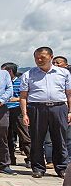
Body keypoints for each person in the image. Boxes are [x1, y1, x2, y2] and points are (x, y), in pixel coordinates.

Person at [20, 47, 71, 178]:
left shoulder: (63, 73)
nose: (39, 60)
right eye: (36, 58)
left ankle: (61, 167)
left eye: (42, 57)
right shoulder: (29, 74)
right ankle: (38, 168)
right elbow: (23, 96)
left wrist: (70, 111)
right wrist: (25, 114)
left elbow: (69, 94)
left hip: (58, 107)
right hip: (37, 108)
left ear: (51, 57)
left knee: (60, 139)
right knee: (37, 139)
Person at [1, 62, 31, 168]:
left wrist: (17, 99)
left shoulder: (20, 82)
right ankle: (9, 158)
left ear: (9, 71)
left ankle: (30, 158)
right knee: (6, 136)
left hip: (17, 110)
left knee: (24, 135)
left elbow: (26, 96)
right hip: (4, 110)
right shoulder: (2, 83)